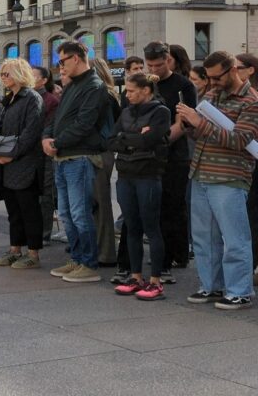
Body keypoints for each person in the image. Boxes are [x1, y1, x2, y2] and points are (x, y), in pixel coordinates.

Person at [177, 51, 258, 309]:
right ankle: (211, 286)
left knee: (235, 238)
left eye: (217, 77)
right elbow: (204, 135)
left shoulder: (251, 100)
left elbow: (239, 140)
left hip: (229, 176)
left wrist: (199, 123)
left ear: (233, 69)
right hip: (201, 172)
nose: (212, 83)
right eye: (209, 78)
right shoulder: (213, 95)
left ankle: (240, 291)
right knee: (204, 237)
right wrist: (189, 126)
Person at [43, 41, 108, 283]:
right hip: (62, 156)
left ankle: (88, 263)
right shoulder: (72, 85)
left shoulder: (94, 86)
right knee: (66, 214)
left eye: (62, 61)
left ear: (76, 58)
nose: (60, 66)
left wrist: (56, 142)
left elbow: (85, 124)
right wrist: (46, 137)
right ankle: (77, 258)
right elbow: (57, 118)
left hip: (80, 156)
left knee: (80, 213)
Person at [109, 73, 171, 300]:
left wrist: (125, 138)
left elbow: (151, 140)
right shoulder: (126, 112)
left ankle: (155, 281)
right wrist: (134, 137)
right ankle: (136, 277)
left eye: (132, 90)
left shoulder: (161, 111)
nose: (128, 94)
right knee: (132, 227)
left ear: (146, 90)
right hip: (126, 174)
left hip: (148, 175)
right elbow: (110, 141)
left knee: (151, 227)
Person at [144, 41, 196, 279]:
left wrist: (162, 140)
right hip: (150, 154)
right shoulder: (148, 83)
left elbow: (184, 122)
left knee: (174, 206)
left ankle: (178, 253)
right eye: (150, 65)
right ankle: (161, 252)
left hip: (175, 155)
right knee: (155, 207)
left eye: (159, 64)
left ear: (168, 60)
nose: (154, 69)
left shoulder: (183, 85)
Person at [0, 59, 46, 269]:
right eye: (2, 74)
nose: (3, 77)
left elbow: (31, 132)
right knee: (13, 211)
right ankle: (15, 249)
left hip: (25, 163)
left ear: (19, 73)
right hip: (6, 163)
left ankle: (33, 253)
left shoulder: (32, 98)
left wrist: (11, 154)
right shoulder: (9, 99)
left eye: (7, 73)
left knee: (29, 210)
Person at [91, 58, 121, 267]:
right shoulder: (108, 94)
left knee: (100, 203)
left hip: (100, 151)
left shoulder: (104, 95)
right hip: (102, 150)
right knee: (96, 203)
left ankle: (106, 252)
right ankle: (100, 249)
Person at [33, 65, 60, 243]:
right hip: (30, 152)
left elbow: (49, 127)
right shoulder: (28, 97)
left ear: (44, 80)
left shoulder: (50, 100)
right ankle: (34, 230)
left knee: (46, 194)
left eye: (34, 76)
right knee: (33, 193)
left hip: (44, 152)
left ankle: (44, 233)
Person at [236, 55, 258, 277]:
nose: (233, 71)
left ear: (250, 70)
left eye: (237, 68)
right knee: (251, 213)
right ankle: (251, 266)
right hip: (250, 158)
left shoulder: (252, 96)